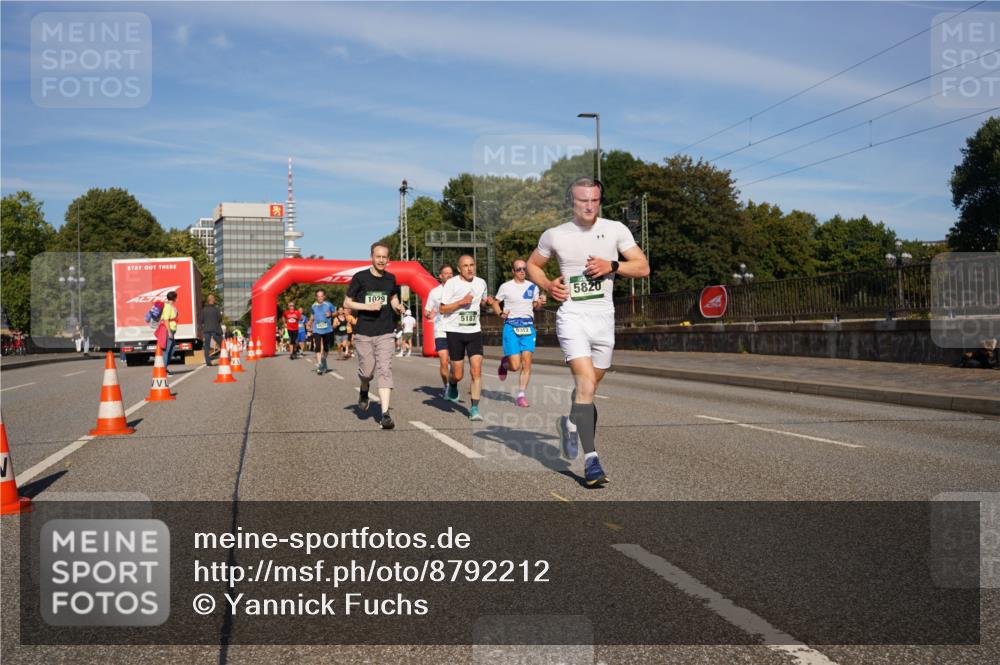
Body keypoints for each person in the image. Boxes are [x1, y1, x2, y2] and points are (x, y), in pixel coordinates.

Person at [526, 177, 649, 486]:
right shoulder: (555, 235)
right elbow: (532, 265)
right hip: (572, 319)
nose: (590, 205)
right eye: (584, 200)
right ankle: (591, 460)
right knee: (586, 386)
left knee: (591, 385)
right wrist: (547, 284)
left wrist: (613, 266)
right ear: (572, 201)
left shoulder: (616, 230)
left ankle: (569, 422)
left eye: (595, 200)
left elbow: (643, 266)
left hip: (604, 320)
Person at [344, 241, 406, 430]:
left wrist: (398, 306)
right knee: (367, 372)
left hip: (386, 331)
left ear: (388, 259)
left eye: (384, 257)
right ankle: (364, 389)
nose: (381, 260)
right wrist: (366, 307)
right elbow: (348, 302)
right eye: (378, 256)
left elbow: (393, 297)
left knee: (385, 370)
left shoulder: (390, 279)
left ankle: (385, 414)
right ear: (371, 257)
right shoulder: (360, 278)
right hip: (364, 332)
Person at [439, 254, 493, 421]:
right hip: (455, 331)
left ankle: (474, 408)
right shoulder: (451, 284)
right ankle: (453, 383)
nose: (470, 268)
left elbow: (482, 302)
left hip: (474, 331)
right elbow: (442, 309)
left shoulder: (481, 282)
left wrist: (488, 302)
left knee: (476, 370)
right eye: (466, 266)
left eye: (472, 265)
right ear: (459, 269)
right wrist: (461, 303)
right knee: (458, 373)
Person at [491, 258, 545, 407]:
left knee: (527, 362)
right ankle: (505, 363)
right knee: (515, 366)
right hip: (511, 327)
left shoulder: (533, 287)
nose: (522, 271)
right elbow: (495, 302)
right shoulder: (506, 287)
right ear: (513, 271)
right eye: (519, 269)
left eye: (524, 269)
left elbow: (535, 306)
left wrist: (539, 303)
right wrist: (500, 313)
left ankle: (521, 395)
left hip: (528, 327)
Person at [423, 264, 454, 397]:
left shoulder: (460, 290)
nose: (449, 275)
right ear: (440, 276)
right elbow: (427, 310)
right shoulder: (435, 292)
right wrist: (428, 314)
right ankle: (447, 386)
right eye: (446, 273)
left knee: (455, 363)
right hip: (441, 330)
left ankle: (453, 383)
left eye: (451, 273)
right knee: (444, 360)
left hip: (457, 330)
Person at [311, 289, 335, 374]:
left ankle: (323, 360)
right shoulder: (313, 306)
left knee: (326, 347)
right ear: (316, 297)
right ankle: (320, 365)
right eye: (318, 296)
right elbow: (312, 315)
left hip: (327, 329)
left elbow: (335, 313)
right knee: (317, 346)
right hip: (316, 329)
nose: (320, 298)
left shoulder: (328, 304)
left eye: (321, 296)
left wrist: (331, 314)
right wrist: (309, 323)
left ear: (324, 296)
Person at [161, 290, 180, 375]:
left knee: (172, 350)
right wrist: (169, 332)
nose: (177, 298)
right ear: (174, 298)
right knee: (166, 350)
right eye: (176, 297)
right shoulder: (168, 306)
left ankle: (164, 368)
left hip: (172, 330)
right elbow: (166, 320)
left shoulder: (171, 306)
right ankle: (163, 370)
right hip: (168, 330)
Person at [202, 294, 223, 366]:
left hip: (206, 330)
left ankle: (208, 362)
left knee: (207, 346)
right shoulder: (216, 309)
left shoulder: (204, 310)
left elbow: (202, 320)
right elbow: (220, 319)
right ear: (213, 300)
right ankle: (225, 358)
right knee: (221, 344)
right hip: (215, 330)